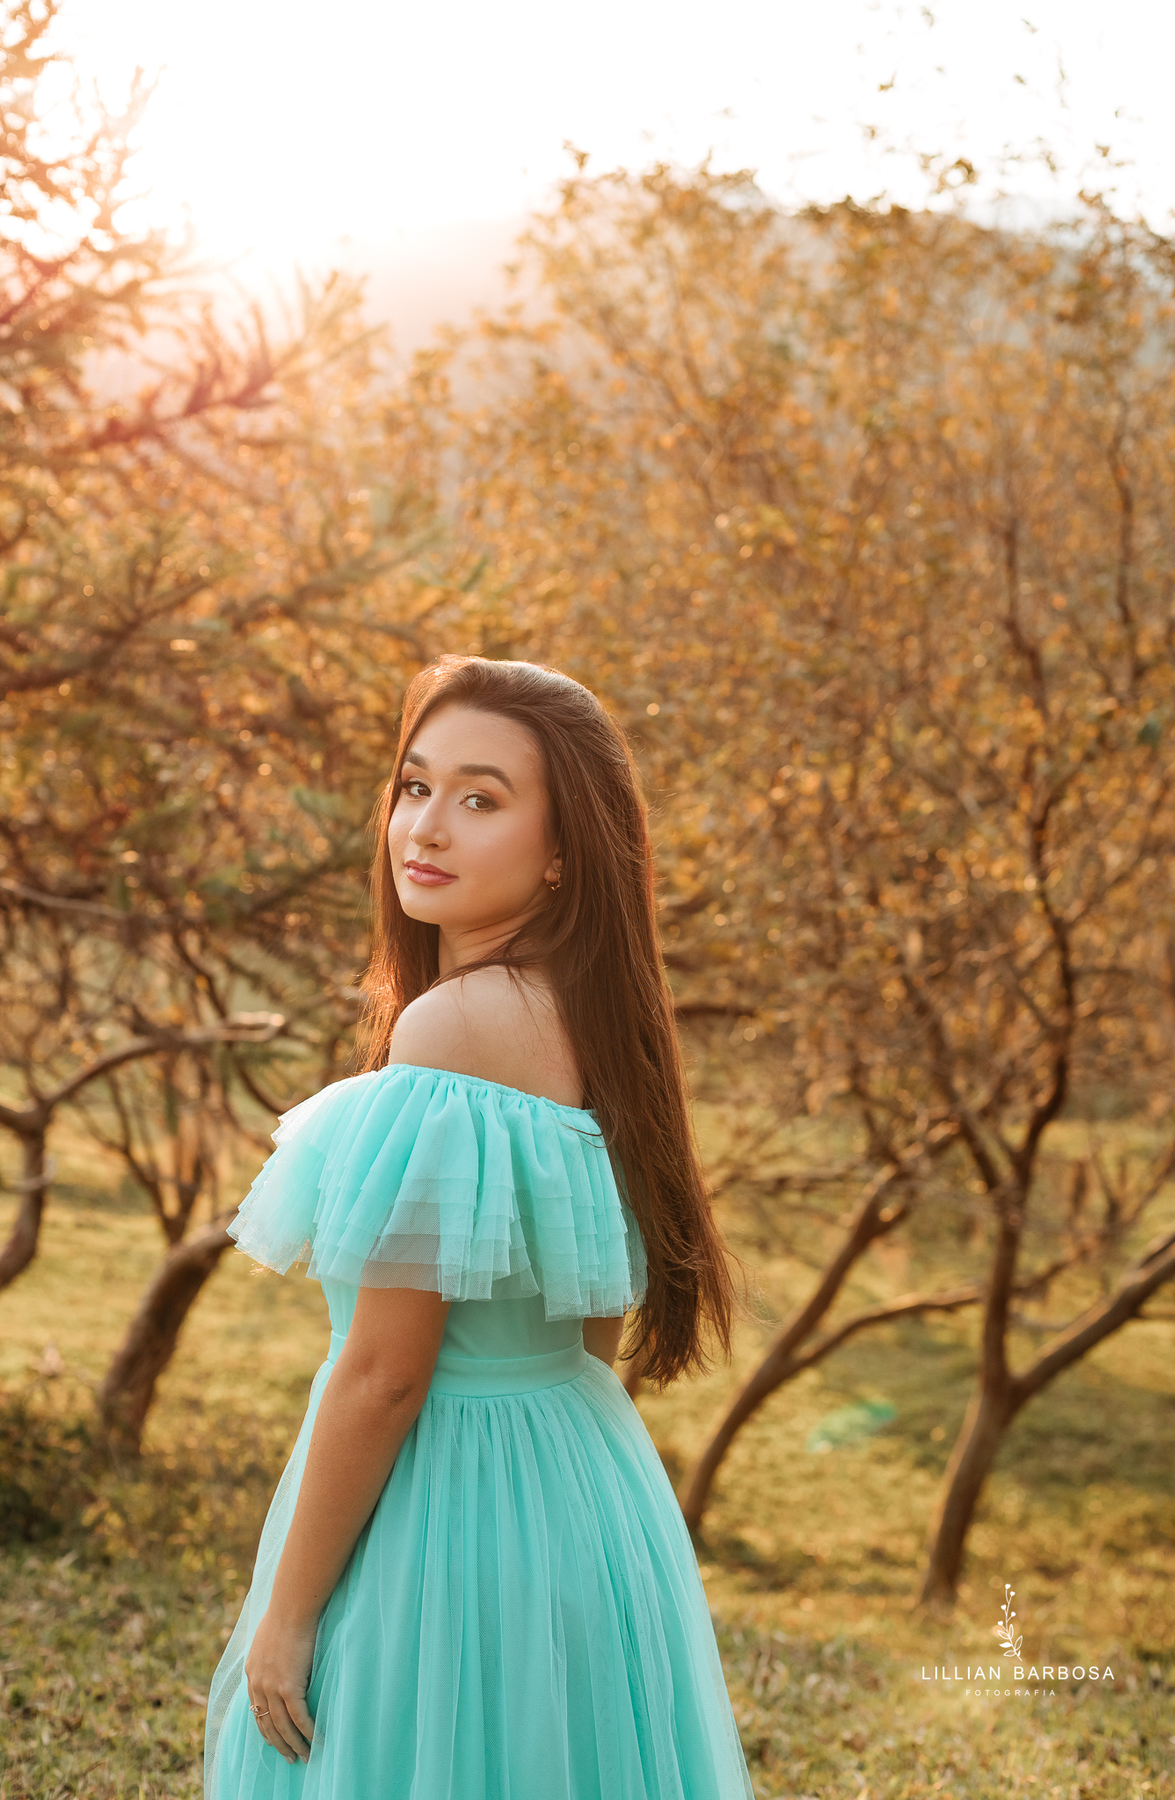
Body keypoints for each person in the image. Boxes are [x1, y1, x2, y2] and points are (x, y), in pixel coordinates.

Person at [204, 654, 754, 1799]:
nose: (427, 825)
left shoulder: (453, 1030)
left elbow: (385, 1373)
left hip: (444, 1501)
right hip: (583, 1484)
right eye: (416, 786)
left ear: (562, 853)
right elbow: (590, 1319)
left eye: (481, 798)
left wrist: (288, 1615)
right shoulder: (593, 1018)